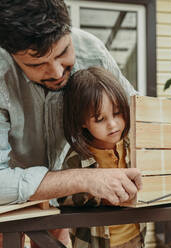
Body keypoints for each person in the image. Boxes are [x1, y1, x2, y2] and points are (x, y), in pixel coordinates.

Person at [0, 0, 142, 247]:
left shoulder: (93, 52)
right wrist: (84, 179)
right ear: (9, 53)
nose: (57, 73)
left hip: (61, 203)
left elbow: (142, 117)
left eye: (63, 52)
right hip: (4, 202)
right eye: (37, 65)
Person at [59, 66, 146, 248]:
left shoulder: (134, 146)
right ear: (82, 121)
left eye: (117, 113)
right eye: (100, 119)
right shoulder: (77, 158)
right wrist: (102, 197)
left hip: (135, 237)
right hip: (96, 244)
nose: (113, 124)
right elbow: (64, 198)